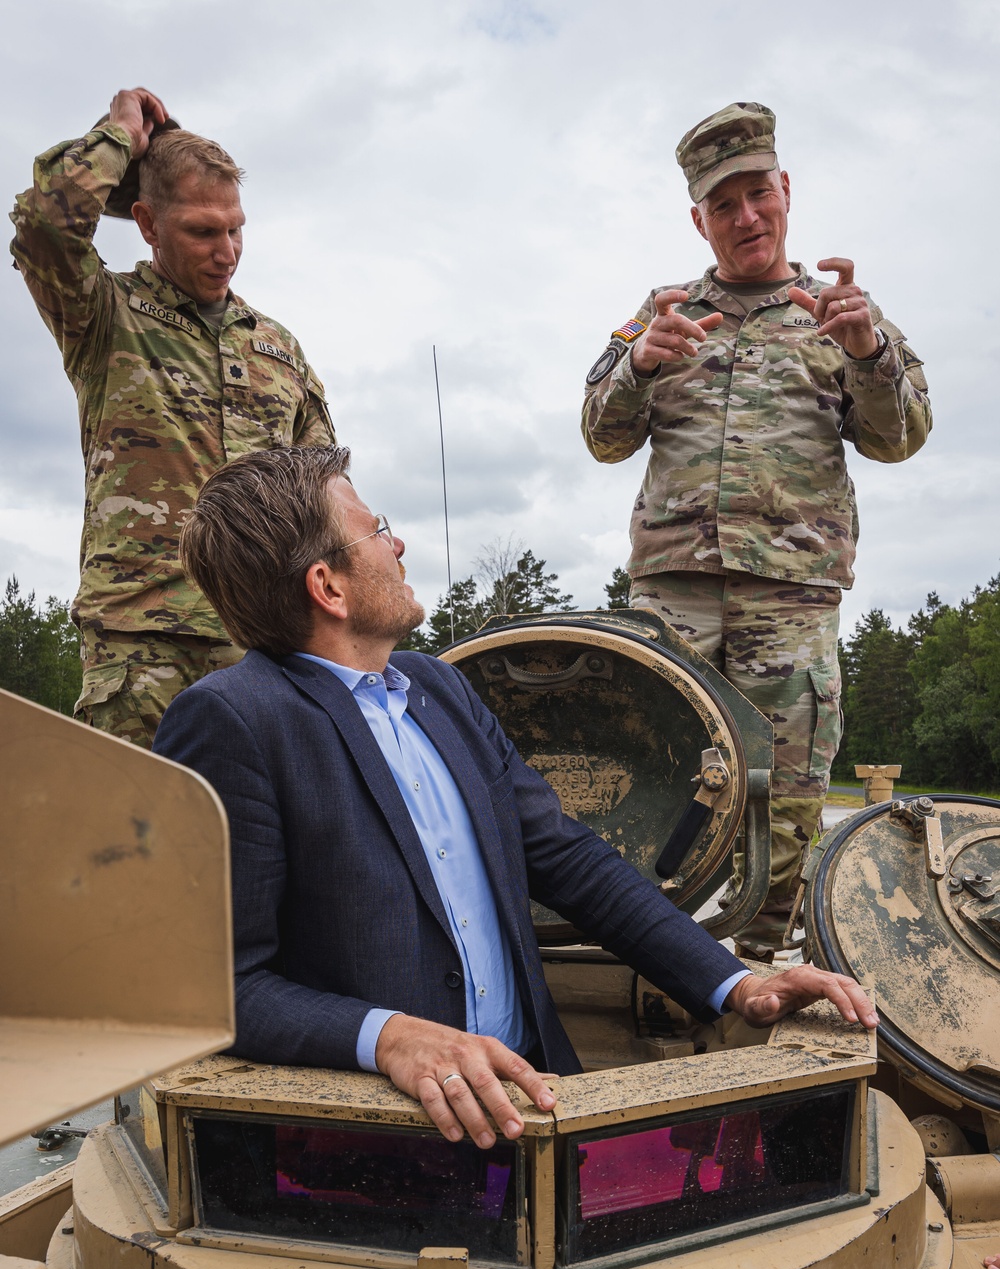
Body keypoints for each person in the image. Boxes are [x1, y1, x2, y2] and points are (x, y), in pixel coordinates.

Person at [153, 444, 876, 1148]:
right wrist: (389, 1038)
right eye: (375, 530)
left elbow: (567, 859)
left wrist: (734, 985)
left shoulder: (440, 689)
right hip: (394, 1133)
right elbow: (217, 988)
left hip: (539, 1090)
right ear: (328, 587)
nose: (397, 542)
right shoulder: (232, 722)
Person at [581, 102, 931, 961]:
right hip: (673, 601)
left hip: (791, 602)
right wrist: (637, 365)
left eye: (758, 193)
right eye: (723, 203)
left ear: (786, 191)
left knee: (788, 798)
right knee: (658, 782)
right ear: (697, 218)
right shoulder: (661, 313)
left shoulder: (843, 312)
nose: (746, 217)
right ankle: (658, 970)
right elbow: (600, 433)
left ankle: (759, 974)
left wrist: (868, 356)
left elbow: (902, 437)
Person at [10, 87, 336, 749]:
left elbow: (326, 491)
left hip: (263, 648)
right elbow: (44, 229)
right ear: (149, 224)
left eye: (236, 228)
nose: (227, 251)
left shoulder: (275, 346)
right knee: (138, 844)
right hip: (141, 650)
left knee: (264, 848)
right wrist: (120, 136)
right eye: (202, 232)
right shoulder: (103, 314)